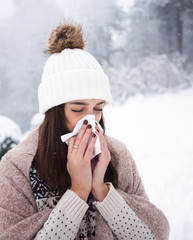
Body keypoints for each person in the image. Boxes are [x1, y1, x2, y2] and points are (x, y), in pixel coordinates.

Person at [0, 22, 170, 240]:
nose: (91, 120)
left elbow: (152, 236)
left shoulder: (118, 156)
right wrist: (78, 191)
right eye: (78, 108)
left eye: (98, 108)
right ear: (54, 112)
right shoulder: (16, 170)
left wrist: (102, 190)